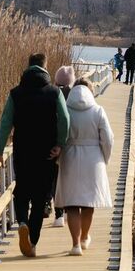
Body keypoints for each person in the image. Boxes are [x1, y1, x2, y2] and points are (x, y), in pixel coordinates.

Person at [0, 53, 70, 258]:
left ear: (28, 67)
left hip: (23, 152)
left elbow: (5, 123)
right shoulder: (54, 92)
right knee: (40, 197)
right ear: (45, 67)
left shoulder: (15, 93)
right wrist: (60, 144)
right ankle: (33, 241)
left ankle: (22, 223)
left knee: (22, 191)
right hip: (46, 154)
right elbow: (65, 119)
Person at [54, 77, 113, 255]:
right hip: (93, 157)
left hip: (70, 156)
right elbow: (108, 139)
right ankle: (85, 237)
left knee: (72, 204)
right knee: (88, 203)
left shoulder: (65, 110)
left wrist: (59, 156)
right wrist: (105, 158)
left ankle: (75, 245)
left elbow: (59, 133)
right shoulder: (98, 111)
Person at [50, 65, 76, 227]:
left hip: (54, 144)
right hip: (72, 145)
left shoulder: (52, 94)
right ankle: (68, 211)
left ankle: (58, 214)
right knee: (69, 178)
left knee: (55, 180)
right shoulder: (76, 95)